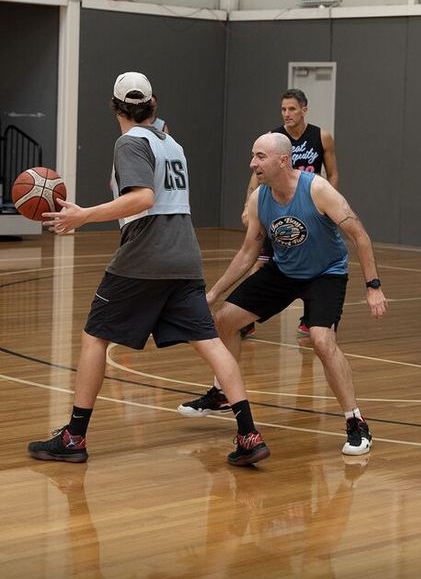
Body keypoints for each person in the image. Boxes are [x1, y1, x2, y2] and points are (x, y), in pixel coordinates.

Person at [27, 71, 269, 467]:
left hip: (145, 255)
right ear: (152, 104)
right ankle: (248, 433)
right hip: (185, 257)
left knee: (95, 338)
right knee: (210, 344)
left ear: (115, 107)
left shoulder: (129, 142)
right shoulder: (171, 143)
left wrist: (84, 215)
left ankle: (73, 437)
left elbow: (142, 198)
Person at [178, 132, 388, 456]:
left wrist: (373, 287)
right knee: (224, 322)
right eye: (253, 155)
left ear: (283, 160)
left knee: (321, 340)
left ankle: (356, 422)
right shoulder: (259, 198)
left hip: (325, 273)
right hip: (284, 271)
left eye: (260, 156)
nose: (253, 163)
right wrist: (214, 293)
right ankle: (222, 393)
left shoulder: (317, 189)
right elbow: (248, 252)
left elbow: (359, 234)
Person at [240, 89, 339, 338]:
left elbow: (333, 173)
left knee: (309, 262)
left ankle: (310, 318)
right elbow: (256, 174)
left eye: (292, 108)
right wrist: (246, 206)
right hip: (276, 206)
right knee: (261, 259)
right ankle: (247, 318)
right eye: (283, 109)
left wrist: (329, 205)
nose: (287, 114)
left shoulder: (321, 136)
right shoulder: (274, 138)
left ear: (304, 109)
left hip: (308, 205)